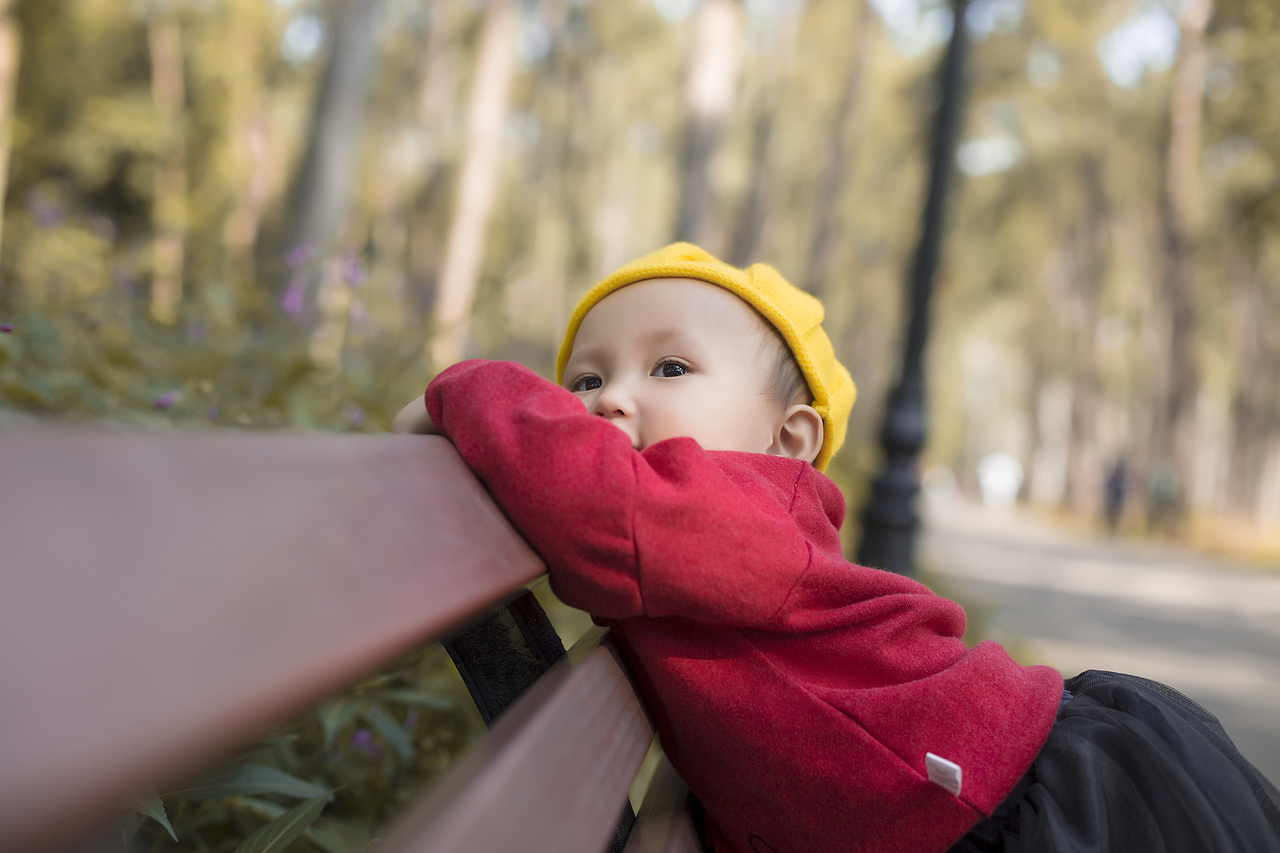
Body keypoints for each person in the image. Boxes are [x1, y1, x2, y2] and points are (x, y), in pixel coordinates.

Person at [393, 243, 1280, 853]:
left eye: (669, 369)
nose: (608, 400)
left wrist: (462, 390)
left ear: (789, 438)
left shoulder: (733, 513)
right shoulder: (688, 532)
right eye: (585, 378)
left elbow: (594, 504)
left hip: (1017, 808)